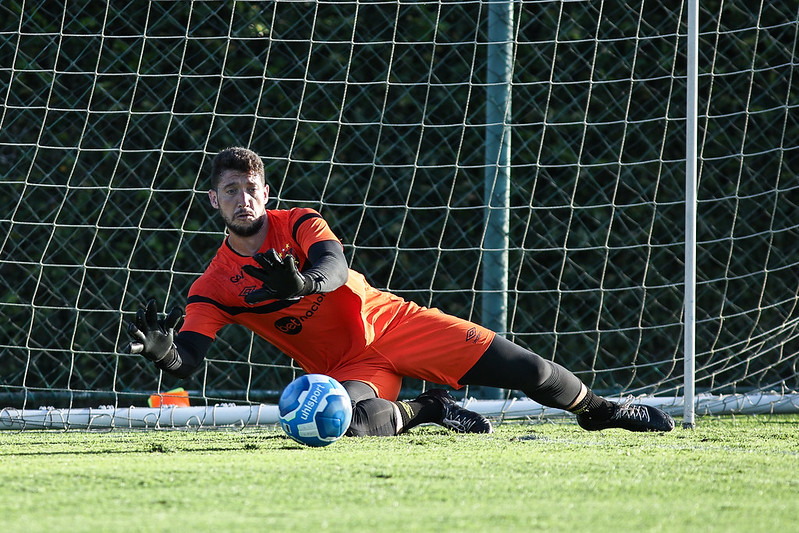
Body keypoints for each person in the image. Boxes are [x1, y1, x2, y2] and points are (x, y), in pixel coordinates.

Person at [125, 146, 675, 436]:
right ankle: (425, 410)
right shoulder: (214, 285)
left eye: (251, 189)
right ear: (214, 202)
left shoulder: (298, 223)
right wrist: (163, 352)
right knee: (350, 425)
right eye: (230, 191)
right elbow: (187, 360)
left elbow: (334, 266)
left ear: (266, 193)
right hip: (346, 368)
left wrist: (303, 284)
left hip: (395, 323)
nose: (242, 199)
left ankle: (600, 411)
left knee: (529, 372)